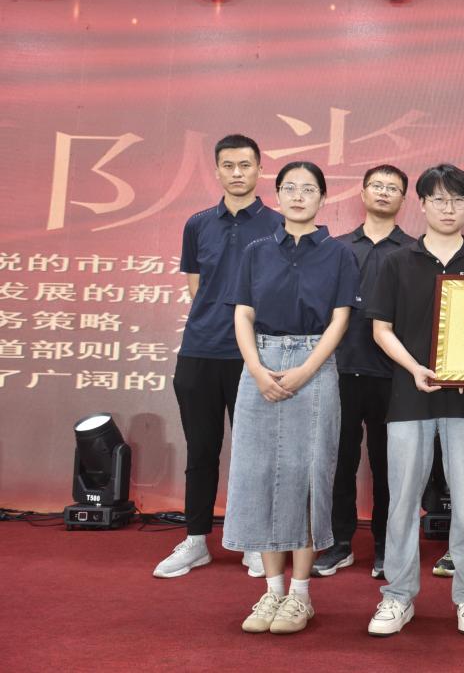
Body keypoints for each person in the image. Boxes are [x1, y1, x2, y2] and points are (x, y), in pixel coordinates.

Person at [222, 161, 360, 634]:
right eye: (289, 188)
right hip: (259, 363)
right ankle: (271, 591)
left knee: (308, 475)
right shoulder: (256, 251)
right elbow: (243, 314)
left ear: (324, 198)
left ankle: (300, 595)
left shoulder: (339, 254)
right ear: (277, 196)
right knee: (259, 473)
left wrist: (305, 370)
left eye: (309, 189)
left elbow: (340, 319)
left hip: (314, 363)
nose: (298, 196)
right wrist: (257, 370)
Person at [365, 164, 464, 637]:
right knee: (402, 500)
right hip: (409, 396)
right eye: (438, 199)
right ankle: (397, 596)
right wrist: (414, 369)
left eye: (458, 200)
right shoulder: (395, 261)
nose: (448, 208)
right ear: (421, 204)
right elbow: (381, 329)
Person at [155, 134, 281, 580]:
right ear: (217, 170)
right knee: (201, 449)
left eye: (245, 165)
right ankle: (195, 540)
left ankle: (254, 541)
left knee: (256, 455)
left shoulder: (278, 224)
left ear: (259, 169)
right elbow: (197, 286)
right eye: (228, 165)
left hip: (254, 356)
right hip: (200, 350)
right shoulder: (198, 224)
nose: (237, 173)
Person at [314, 165, 414, 580]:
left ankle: (386, 546)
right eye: (377, 185)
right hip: (338, 369)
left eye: (393, 188)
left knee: (390, 466)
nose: (384, 192)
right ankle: (339, 543)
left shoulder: (413, 251)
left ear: (404, 199)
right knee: (339, 462)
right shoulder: (335, 248)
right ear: (363, 193)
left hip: (394, 375)